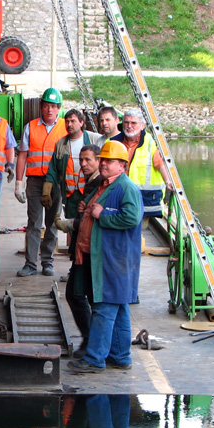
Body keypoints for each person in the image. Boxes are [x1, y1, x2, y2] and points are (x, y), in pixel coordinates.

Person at [65, 140, 142, 373]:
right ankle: (120, 356)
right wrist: (86, 208)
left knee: (104, 308)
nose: (105, 164)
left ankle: (95, 358)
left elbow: (131, 218)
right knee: (118, 308)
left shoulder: (126, 187)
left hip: (114, 260)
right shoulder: (106, 185)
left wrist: (102, 213)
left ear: (122, 165)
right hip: (106, 257)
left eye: (110, 161)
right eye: (104, 160)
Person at [54, 144, 102, 357]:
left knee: (78, 295)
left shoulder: (99, 185)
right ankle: (91, 341)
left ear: (99, 161)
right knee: (81, 295)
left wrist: (70, 224)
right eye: (81, 160)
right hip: (83, 248)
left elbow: (90, 219)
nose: (83, 164)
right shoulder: (91, 184)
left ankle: (92, 342)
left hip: (89, 250)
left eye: (88, 160)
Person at [14, 87, 67, 277]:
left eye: (53, 106)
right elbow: (22, 156)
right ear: (41, 107)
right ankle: (30, 264)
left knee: (52, 222)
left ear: (59, 108)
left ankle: (47, 262)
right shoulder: (31, 127)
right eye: (46, 106)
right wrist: (18, 182)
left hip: (56, 182)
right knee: (34, 222)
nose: (50, 110)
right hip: (35, 181)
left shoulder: (65, 128)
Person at [44, 109, 107, 220]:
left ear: (82, 122)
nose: (69, 124)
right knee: (71, 226)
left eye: (73, 121)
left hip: (91, 192)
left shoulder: (95, 139)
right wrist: (46, 189)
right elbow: (53, 168)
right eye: (67, 122)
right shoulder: (61, 144)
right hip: (70, 195)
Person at [111, 109, 173, 222]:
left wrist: (168, 182)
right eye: (126, 122)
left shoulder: (151, 142)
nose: (129, 126)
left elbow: (160, 164)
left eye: (133, 123)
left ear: (142, 126)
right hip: (117, 196)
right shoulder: (112, 142)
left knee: (137, 233)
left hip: (142, 199)